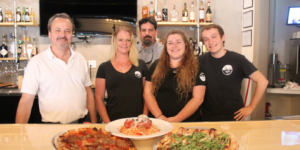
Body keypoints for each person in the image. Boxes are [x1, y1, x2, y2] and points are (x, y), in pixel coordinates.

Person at [15, 13, 97, 124]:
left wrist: (94, 123)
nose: (62, 35)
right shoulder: (37, 62)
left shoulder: (80, 59)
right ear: (49, 33)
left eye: (67, 31)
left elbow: (88, 92)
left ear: (72, 35)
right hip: (51, 128)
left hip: (81, 125)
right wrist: (20, 132)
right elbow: (26, 101)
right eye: (57, 30)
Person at [199, 24, 268, 121]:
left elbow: (263, 81)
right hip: (207, 118)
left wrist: (251, 107)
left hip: (234, 118)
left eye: (214, 37)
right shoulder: (199, 61)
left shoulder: (237, 59)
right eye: (206, 39)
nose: (210, 42)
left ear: (223, 37)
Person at [144, 30, 206, 122]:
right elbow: (147, 92)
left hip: (187, 125)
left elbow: (198, 98)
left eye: (178, 42)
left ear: (185, 44)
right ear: (166, 47)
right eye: (170, 43)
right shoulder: (156, 65)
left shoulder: (197, 67)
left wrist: (176, 119)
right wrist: (160, 117)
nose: (174, 46)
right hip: (158, 123)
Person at [95, 26, 148, 123]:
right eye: (120, 40)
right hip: (113, 121)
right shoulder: (104, 67)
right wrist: (108, 124)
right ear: (114, 42)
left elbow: (147, 95)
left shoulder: (141, 65)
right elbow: (99, 98)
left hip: (137, 122)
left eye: (128, 40)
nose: (124, 43)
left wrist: (144, 118)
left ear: (131, 43)